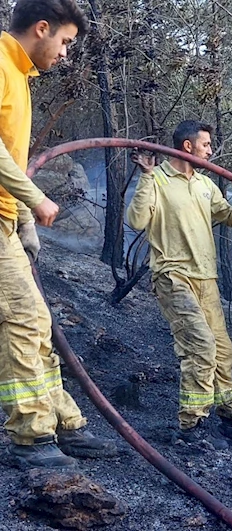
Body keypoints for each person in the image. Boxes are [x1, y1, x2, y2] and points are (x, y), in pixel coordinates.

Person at [0, 0, 117, 469]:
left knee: (38, 322)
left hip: (5, 220)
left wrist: (22, 221)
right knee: (25, 321)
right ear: (42, 28)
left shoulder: (18, 76)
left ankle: (62, 424)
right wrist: (35, 199)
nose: (66, 53)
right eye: (65, 41)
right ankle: (31, 437)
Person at [127, 120, 232, 448]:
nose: (210, 151)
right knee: (201, 346)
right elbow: (136, 220)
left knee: (223, 352)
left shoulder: (206, 185)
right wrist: (145, 176)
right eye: (206, 145)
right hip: (173, 277)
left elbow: (231, 219)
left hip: (206, 280)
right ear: (187, 146)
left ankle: (231, 418)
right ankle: (191, 427)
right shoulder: (159, 179)